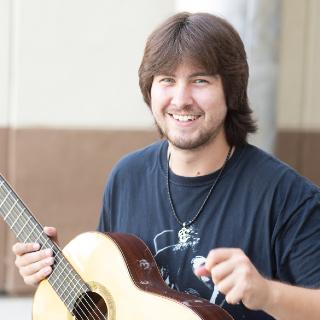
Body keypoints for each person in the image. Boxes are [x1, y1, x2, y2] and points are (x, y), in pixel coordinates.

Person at [12, 12, 320, 320]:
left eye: (200, 80)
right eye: (167, 80)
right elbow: (111, 295)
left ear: (231, 91)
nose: (181, 99)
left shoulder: (289, 197)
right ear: (150, 90)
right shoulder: (127, 177)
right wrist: (54, 273)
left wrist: (267, 293)